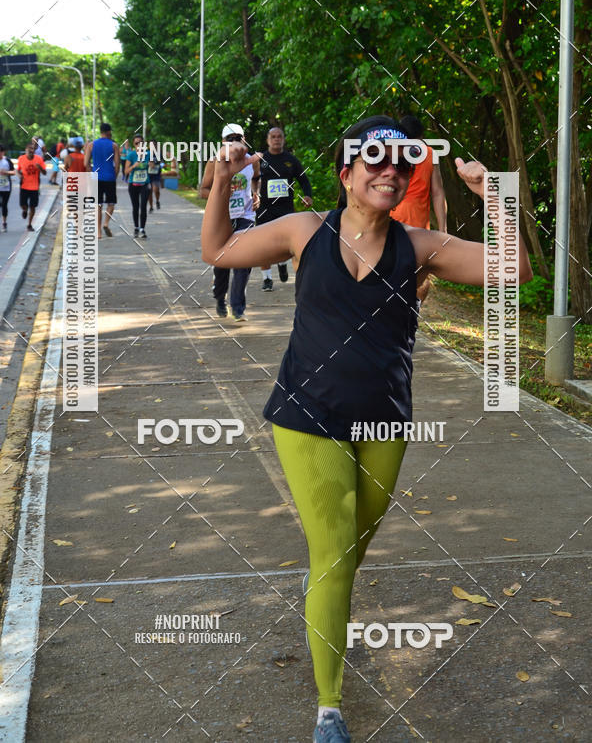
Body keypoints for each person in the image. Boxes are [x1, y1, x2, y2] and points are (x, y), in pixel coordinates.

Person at [201, 114, 532, 743]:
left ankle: (320, 601)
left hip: (384, 420)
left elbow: (511, 271)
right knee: (332, 555)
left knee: (346, 554)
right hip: (306, 417)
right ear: (345, 173)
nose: (389, 171)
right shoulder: (305, 231)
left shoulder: (419, 246)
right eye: (373, 160)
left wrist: (495, 193)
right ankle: (330, 707)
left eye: (399, 164)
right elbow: (217, 251)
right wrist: (221, 183)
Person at [200, 123, 260, 321]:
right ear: (223, 142)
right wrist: (223, 191)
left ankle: (238, 307)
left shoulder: (252, 161)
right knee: (222, 264)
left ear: (243, 139)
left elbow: (256, 179)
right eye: (230, 138)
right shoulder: (215, 161)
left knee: (244, 260)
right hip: (223, 217)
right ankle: (220, 298)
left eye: (238, 137)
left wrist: (255, 193)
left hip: (246, 216)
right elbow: (203, 190)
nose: (234, 141)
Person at [390, 115, 448, 301]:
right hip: (418, 221)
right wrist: (443, 228)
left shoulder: (392, 151)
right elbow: (438, 193)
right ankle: (413, 313)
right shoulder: (430, 154)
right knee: (421, 272)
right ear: (422, 135)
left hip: (391, 216)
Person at [256, 126, 313, 290]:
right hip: (264, 208)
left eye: (279, 136)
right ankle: (267, 279)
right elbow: (252, 179)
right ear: (267, 140)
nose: (276, 139)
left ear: (283, 139)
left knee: (286, 243)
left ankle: (282, 262)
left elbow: (304, 180)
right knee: (263, 244)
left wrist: (308, 195)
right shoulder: (260, 159)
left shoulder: (291, 160)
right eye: (273, 136)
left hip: (285, 208)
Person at [85, 122, 120, 238]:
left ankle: (98, 232)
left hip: (96, 178)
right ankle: (106, 223)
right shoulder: (114, 145)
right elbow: (117, 165)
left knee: (97, 205)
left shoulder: (91, 145)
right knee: (111, 203)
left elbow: (86, 163)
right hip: (109, 177)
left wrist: (92, 172)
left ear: (100, 132)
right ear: (109, 132)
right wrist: (113, 175)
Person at [124, 134, 151, 238]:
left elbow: (154, 165)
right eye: (136, 143)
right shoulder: (131, 155)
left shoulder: (148, 154)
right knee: (136, 207)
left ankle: (142, 229)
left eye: (141, 143)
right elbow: (126, 171)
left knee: (143, 206)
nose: (139, 145)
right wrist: (133, 166)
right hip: (133, 184)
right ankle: (136, 227)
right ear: (134, 145)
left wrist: (152, 164)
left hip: (145, 183)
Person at [17, 140, 47, 231]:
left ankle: (29, 224)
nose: (31, 150)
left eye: (33, 149)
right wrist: (19, 175)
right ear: (26, 149)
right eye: (29, 148)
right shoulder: (21, 158)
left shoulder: (39, 159)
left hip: (34, 187)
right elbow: (18, 170)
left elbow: (45, 173)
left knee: (33, 206)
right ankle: (25, 210)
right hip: (24, 186)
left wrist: (40, 168)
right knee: (23, 204)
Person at [0, 144, 16, 232]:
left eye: (1, 151)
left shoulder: (7, 161)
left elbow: (14, 172)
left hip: (6, 187)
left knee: (4, 205)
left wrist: (6, 172)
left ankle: (4, 223)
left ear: (3, 152)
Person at [147, 146, 163, 211]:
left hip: (156, 175)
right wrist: (149, 164)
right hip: (148, 175)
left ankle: (157, 201)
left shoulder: (159, 154)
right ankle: (151, 206)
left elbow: (162, 163)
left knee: (156, 190)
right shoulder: (146, 154)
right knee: (149, 192)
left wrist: (160, 166)